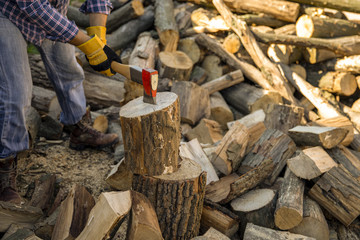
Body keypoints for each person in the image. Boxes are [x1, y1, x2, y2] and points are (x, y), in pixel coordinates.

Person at [0, 0, 121, 204]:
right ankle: (5, 163)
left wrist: (98, 35)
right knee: (16, 90)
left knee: (68, 70)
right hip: (7, 12)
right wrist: (86, 44)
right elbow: (34, 7)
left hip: (53, 12)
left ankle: (79, 129)